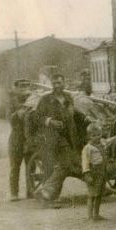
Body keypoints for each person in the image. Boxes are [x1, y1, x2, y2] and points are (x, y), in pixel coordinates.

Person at [34, 73, 81, 207]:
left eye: (59, 83)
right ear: (51, 85)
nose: (57, 86)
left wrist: (86, 119)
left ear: (64, 83)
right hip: (52, 137)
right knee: (54, 166)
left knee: (62, 166)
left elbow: (74, 114)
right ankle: (45, 196)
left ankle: (50, 196)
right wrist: (50, 121)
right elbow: (36, 117)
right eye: (54, 83)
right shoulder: (45, 100)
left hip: (69, 136)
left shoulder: (68, 98)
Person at [8, 79, 31, 201]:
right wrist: (17, 113)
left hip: (29, 137)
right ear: (16, 88)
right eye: (22, 86)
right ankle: (14, 193)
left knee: (30, 164)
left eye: (27, 86)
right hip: (17, 137)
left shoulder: (32, 99)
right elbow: (9, 118)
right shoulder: (12, 101)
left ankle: (30, 191)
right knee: (15, 165)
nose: (24, 88)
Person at [82, 123, 106, 221]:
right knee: (92, 195)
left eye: (99, 135)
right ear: (89, 136)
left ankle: (96, 214)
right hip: (93, 172)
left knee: (99, 194)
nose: (97, 137)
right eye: (94, 135)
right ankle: (89, 216)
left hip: (101, 171)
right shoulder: (88, 148)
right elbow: (85, 162)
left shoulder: (102, 143)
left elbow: (110, 141)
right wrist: (87, 174)